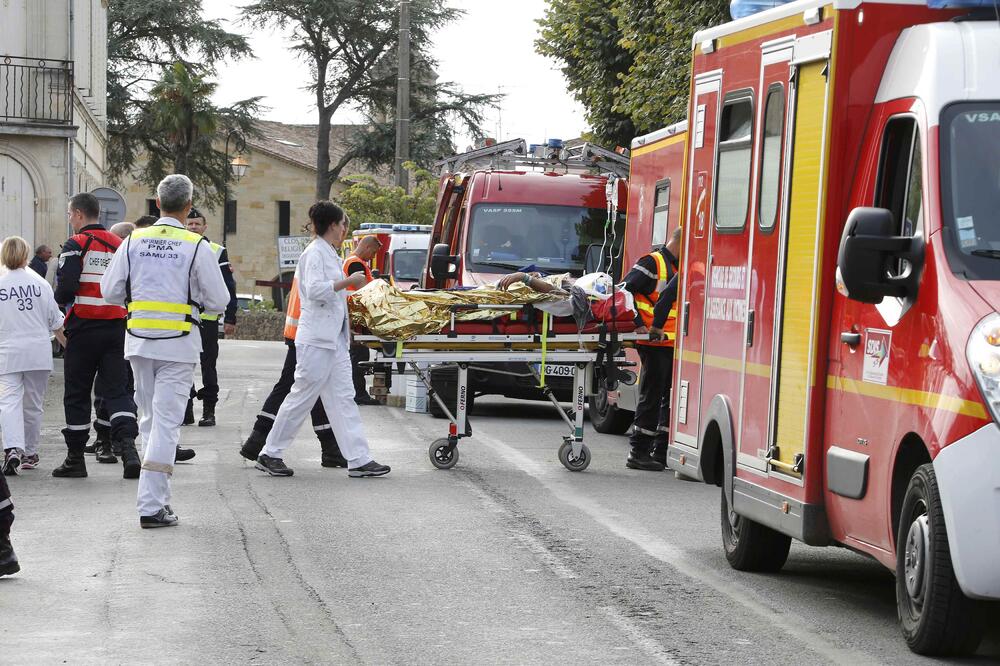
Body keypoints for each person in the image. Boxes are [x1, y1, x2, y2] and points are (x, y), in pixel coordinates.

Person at [101, 174, 230, 528]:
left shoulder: (132, 242)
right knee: (166, 425)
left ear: (156, 204)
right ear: (189, 206)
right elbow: (219, 300)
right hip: (178, 342)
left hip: (139, 340)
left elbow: (109, 291)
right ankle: (151, 505)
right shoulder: (196, 244)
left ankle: (154, 501)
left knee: (149, 420)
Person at [254, 201, 389, 479]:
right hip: (316, 339)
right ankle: (270, 452)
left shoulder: (328, 253)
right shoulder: (314, 254)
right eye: (343, 225)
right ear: (332, 225)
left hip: (332, 340)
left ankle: (359, 459)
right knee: (302, 395)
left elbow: (334, 295)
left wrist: (355, 298)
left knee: (343, 397)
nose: (344, 230)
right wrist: (347, 281)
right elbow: (315, 291)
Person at [52, 193, 140, 479]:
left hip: (84, 328)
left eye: (69, 215)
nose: (70, 220)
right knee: (117, 390)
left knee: (77, 392)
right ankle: (127, 449)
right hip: (116, 328)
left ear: (78, 214)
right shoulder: (121, 244)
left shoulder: (76, 244)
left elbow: (65, 288)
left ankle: (75, 459)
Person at [239, 274, 348, 468]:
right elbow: (323, 294)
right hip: (308, 334)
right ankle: (257, 443)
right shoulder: (319, 259)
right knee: (297, 388)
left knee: (311, 388)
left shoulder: (312, 258)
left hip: (301, 331)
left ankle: (330, 448)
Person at [1, 236, 65, 476]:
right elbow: (56, 321)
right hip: (38, 352)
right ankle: (29, 451)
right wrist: (68, 346)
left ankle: (12, 449)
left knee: (8, 402)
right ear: (27, 254)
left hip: (7, 353)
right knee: (33, 404)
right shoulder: (40, 283)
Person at [621, 227, 682, 471]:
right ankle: (638, 451)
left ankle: (660, 451)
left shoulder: (677, 267)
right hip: (654, 341)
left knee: (668, 399)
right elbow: (624, 289)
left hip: (671, 342)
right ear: (681, 242)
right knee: (653, 396)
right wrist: (638, 324)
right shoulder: (653, 262)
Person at [182, 208, 237, 428]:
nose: (193, 227)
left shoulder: (216, 250)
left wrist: (231, 317)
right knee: (183, 365)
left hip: (208, 320)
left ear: (205, 227)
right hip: (184, 319)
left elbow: (228, 287)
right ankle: (186, 410)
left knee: (208, 367)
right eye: (190, 224)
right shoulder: (180, 247)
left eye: (197, 224)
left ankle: (209, 411)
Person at [344, 235, 383, 406]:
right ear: (367, 247)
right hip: (355, 316)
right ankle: (358, 394)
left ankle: (358, 392)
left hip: (354, 315)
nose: (373, 257)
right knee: (358, 356)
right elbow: (365, 290)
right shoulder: (356, 263)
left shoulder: (355, 262)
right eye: (373, 252)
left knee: (359, 355)